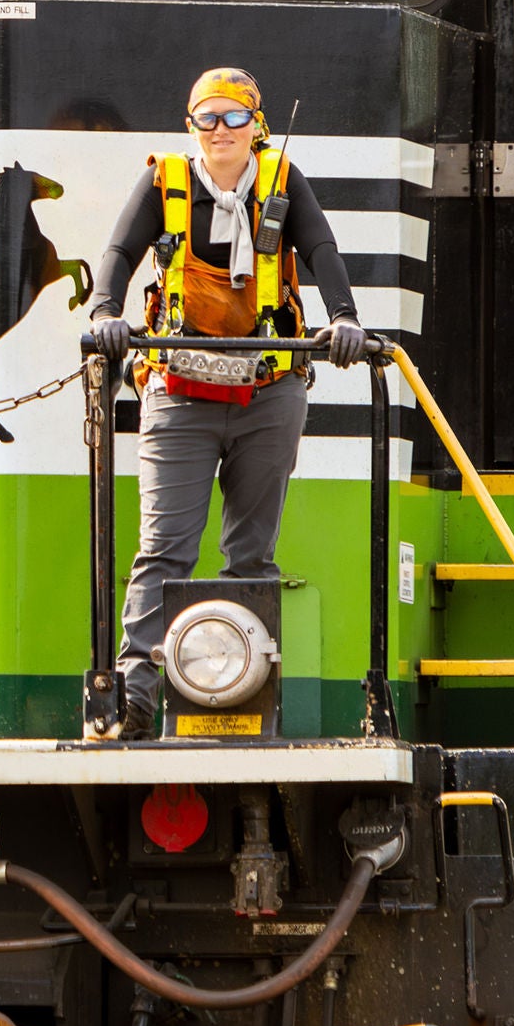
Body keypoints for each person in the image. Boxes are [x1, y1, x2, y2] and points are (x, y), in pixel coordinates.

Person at [86, 67, 365, 737]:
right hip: (179, 395)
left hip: (268, 395)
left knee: (250, 554)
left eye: (233, 117)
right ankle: (133, 697)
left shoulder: (281, 181)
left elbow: (322, 249)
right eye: (206, 117)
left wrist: (346, 316)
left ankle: (245, 705)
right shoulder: (165, 182)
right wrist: (104, 311)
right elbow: (119, 251)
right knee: (164, 549)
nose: (220, 130)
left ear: (256, 125)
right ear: (190, 127)